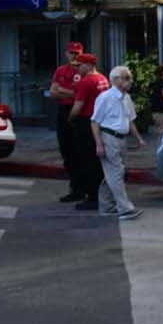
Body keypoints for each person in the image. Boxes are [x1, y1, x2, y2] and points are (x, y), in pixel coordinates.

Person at [91, 65, 145, 221]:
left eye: (130, 78)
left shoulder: (126, 97)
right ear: (115, 80)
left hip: (122, 139)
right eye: (126, 78)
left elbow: (130, 120)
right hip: (109, 138)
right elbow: (94, 122)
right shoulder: (105, 97)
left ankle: (107, 207)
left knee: (113, 173)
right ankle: (124, 208)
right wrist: (99, 144)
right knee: (116, 173)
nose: (130, 81)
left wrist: (138, 138)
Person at [68, 54, 110, 212]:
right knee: (99, 161)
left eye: (79, 65)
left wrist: (70, 119)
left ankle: (92, 196)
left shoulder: (85, 82)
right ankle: (101, 194)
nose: (77, 68)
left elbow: (77, 107)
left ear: (88, 65)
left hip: (87, 122)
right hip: (101, 122)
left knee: (88, 160)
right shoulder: (103, 79)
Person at [50, 41, 85, 202]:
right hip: (64, 111)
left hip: (81, 112)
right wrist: (72, 93)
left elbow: (82, 96)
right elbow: (53, 92)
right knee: (67, 151)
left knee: (82, 151)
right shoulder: (61, 70)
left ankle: (84, 187)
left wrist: (64, 91)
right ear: (66, 53)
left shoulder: (84, 71)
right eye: (71, 53)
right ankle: (75, 187)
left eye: (77, 53)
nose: (74, 56)